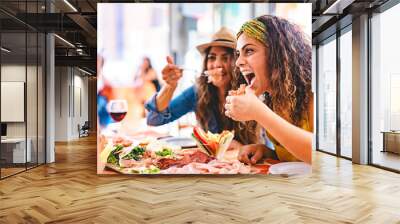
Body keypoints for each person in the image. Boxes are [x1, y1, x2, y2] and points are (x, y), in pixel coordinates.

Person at [145, 27, 258, 146]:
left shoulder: (251, 92)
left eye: (226, 58)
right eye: (212, 57)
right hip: (210, 164)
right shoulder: (198, 92)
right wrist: (169, 86)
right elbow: (154, 119)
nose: (217, 64)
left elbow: (269, 146)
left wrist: (241, 147)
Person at [225, 15, 313, 164]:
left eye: (249, 51)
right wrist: (267, 152)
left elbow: (321, 156)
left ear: (276, 54)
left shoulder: (311, 92)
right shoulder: (272, 101)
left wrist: (259, 113)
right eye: (239, 54)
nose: (238, 62)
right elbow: (296, 159)